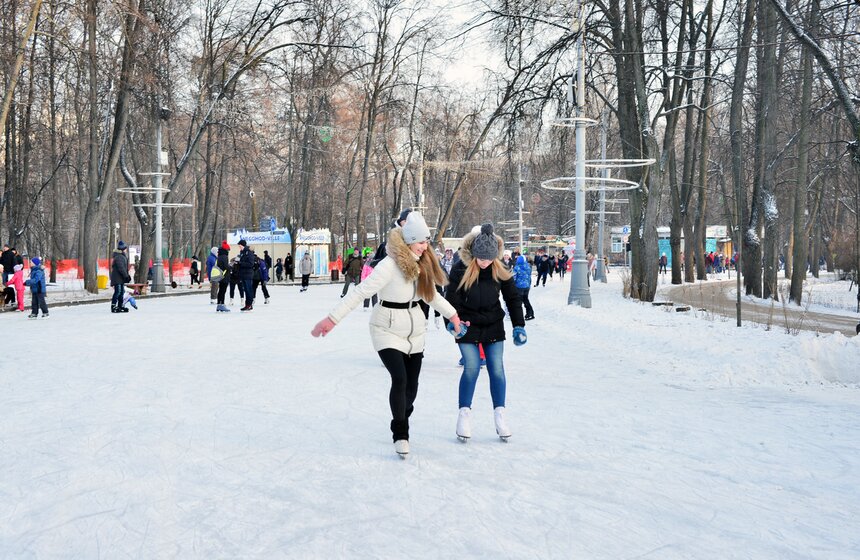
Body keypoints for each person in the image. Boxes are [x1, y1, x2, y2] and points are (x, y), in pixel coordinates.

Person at [311, 212, 465, 459]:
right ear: (409, 241)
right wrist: (332, 319)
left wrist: (453, 316)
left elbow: (432, 296)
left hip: (415, 332)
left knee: (412, 388)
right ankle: (400, 433)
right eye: (420, 242)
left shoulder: (422, 264)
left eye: (426, 241)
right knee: (400, 379)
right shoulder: (389, 266)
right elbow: (360, 292)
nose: (424, 246)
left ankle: (401, 415)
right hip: (386, 329)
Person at [446, 224, 525, 442]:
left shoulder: (499, 269)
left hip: (493, 325)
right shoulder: (460, 269)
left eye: (489, 259)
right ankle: (464, 415)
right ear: (474, 255)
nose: (485, 263)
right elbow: (450, 299)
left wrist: (518, 325)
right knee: (472, 367)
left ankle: (500, 415)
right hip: (467, 326)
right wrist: (453, 323)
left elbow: (512, 298)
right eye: (481, 259)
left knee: (496, 369)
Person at [110, 241, 132, 313]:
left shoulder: (122, 256)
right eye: (125, 248)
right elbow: (121, 268)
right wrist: (126, 276)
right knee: (118, 292)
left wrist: (126, 276)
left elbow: (124, 268)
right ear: (122, 249)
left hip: (120, 278)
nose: (126, 250)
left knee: (121, 292)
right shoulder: (119, 256)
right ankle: (113, 306)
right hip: (117, 278)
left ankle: (120, 305)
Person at [513, 254, 534, 320]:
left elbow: (514, 278)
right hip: (527, 286)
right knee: (526, 300)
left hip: (519, 287)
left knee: (518, 302)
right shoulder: (528, 267)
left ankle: (518, 316)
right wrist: (529, 285)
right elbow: (529, 277)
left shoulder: (516, 267)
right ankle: (530, 314)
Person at [236, 240, 256, 311]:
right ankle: (247, 304)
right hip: (243, 274)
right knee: (246, 290)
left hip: (248, 274)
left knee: (248, 290)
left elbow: (251, 264)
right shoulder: (242, 252)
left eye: (240, 246)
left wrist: (241, 263)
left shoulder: (249, 252)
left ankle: (249, 304)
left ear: (243, 245)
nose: (239, 247)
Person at [215, 240, 231, 312]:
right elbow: (226, 266)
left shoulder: (220, 256)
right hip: (224, 276)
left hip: (220, 275)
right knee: (223, 290)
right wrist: (231, 267)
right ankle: (222, 304)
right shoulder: (224, 256)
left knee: (220, 290)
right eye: (228, 250)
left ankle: (219, 304)